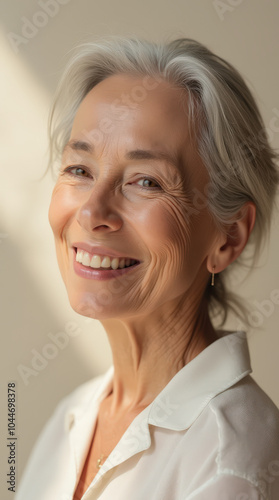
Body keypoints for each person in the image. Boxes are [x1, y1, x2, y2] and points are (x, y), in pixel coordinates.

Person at [16, 36, 279, 500]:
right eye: (80, 169)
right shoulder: (72, 418)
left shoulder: (231, 462)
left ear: (229, 236)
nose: (92, 212)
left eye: (146, 181)